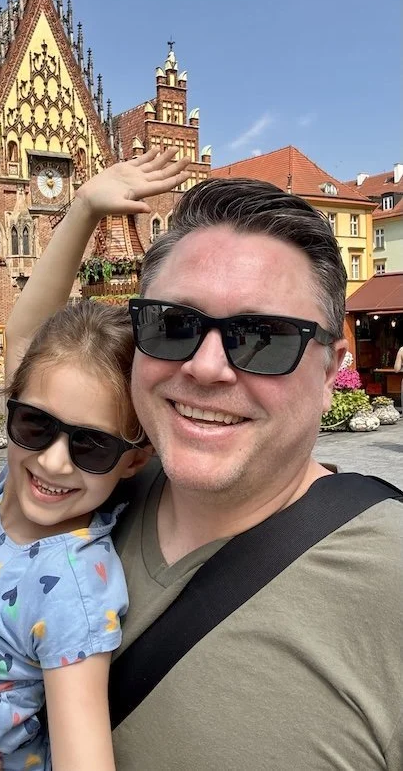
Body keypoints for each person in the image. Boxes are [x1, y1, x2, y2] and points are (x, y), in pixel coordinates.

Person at [0, 149, 190, 771]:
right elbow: (26, 338)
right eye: (34, 425)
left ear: (131, 461)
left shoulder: (73, 584)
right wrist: (83, 206)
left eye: (91, 445)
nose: (54, 461)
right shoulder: (18, 482)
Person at [109, 177, 403, 768]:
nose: (207, 367)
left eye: (263, 338)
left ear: (329, 373)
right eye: (172, 325)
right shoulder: (82, 494)